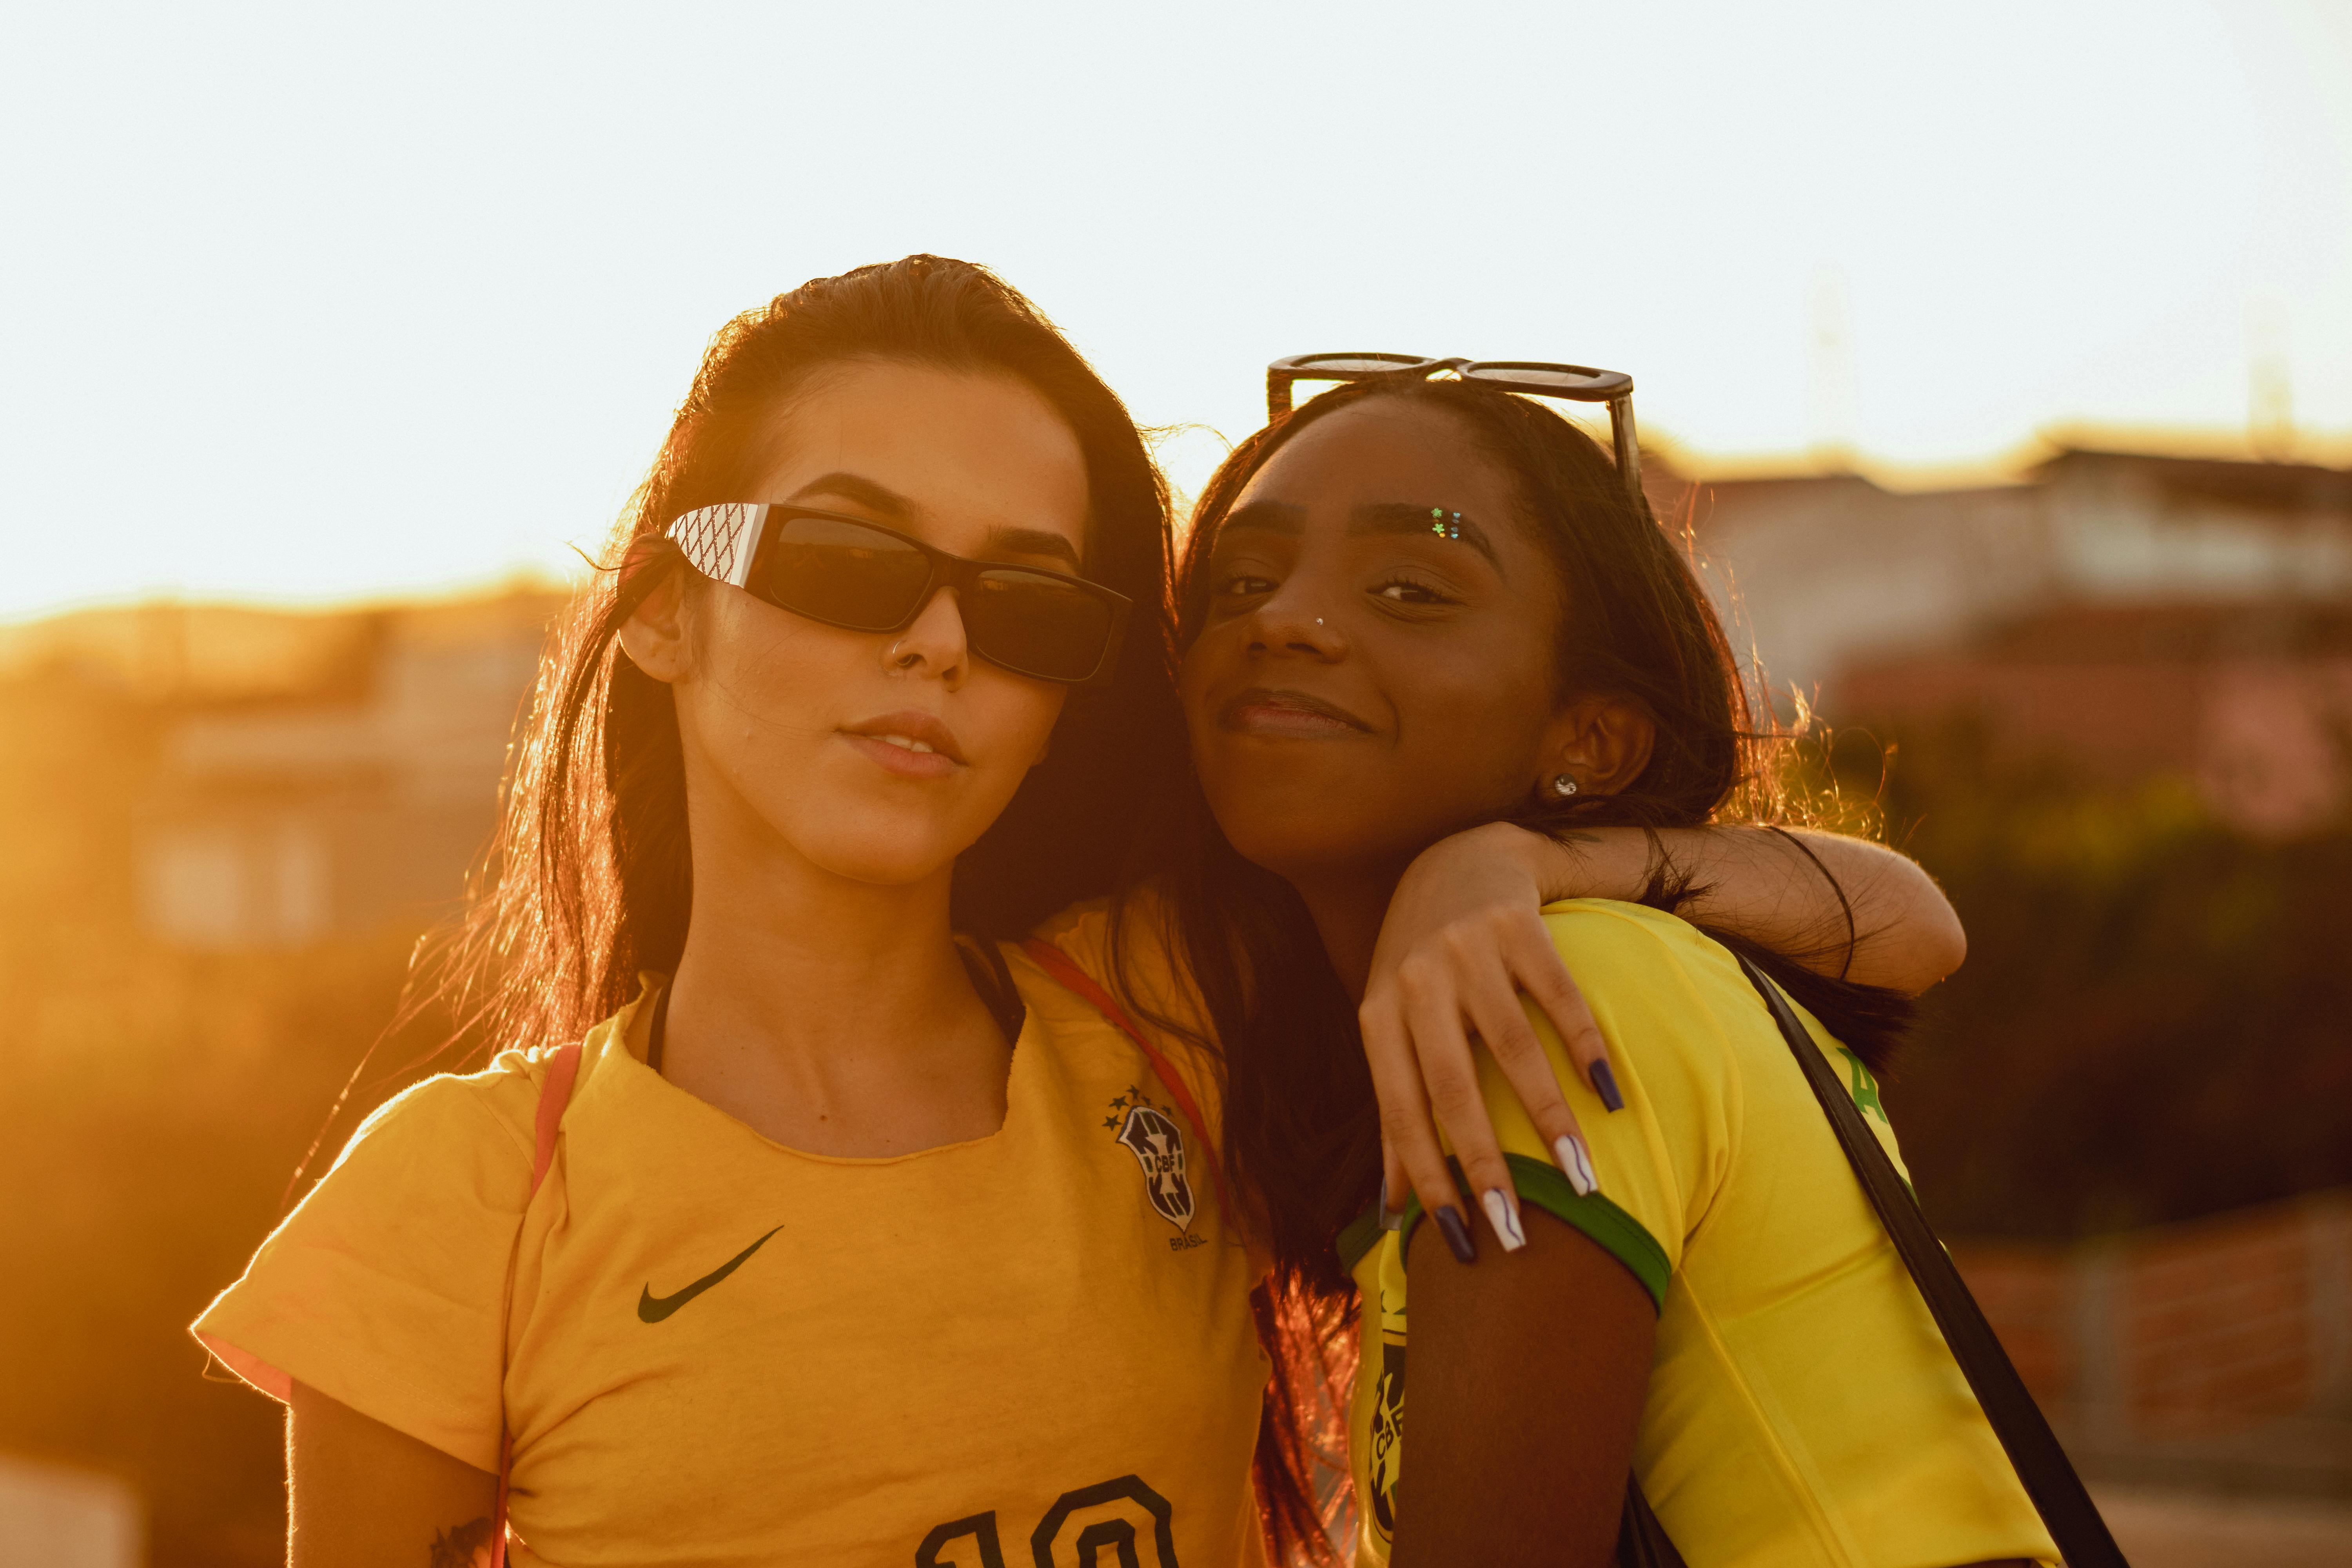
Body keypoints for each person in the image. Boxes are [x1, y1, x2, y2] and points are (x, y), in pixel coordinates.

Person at [192, 257, 1963, 1567]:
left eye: (1029, 603)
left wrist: (1515, 866)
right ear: (665, 608)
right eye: (848, 558)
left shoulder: (1169, 1009)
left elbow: (1897, 926)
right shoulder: (459, 1207)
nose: (938, 641)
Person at [1141, 369, 2051, 1567]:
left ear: (1591, 738)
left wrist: (1512, 865)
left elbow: (1924, 924)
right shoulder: (1507, 990)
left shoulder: (1562, 990)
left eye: (1412, 588)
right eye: (1244, 582)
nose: (1283, 621)